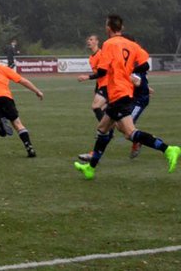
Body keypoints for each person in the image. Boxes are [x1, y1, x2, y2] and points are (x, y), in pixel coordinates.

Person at [74, 15, 180, 180]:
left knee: (129, 132)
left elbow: (102, 71)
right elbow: (145, 64)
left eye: (105, 25)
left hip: (117, 92)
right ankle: (90, 168)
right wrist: (129, 70)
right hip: (125, 92)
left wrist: (90, 76)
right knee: (103, 129)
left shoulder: (108, 44)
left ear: (109, 27)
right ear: (121, 28)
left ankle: (168, 149)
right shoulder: (132, 45)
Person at [77, 33, 152, 161]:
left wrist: (143, 86)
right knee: (116, 124)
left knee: (124, 129)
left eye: (91, 39)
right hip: (114, 90)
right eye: (87, 39)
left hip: (124, 94)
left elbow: (134, 76)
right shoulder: (93, 57)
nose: (88, 41)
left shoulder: (113, 54)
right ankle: (96, 154)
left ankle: (160, 146)